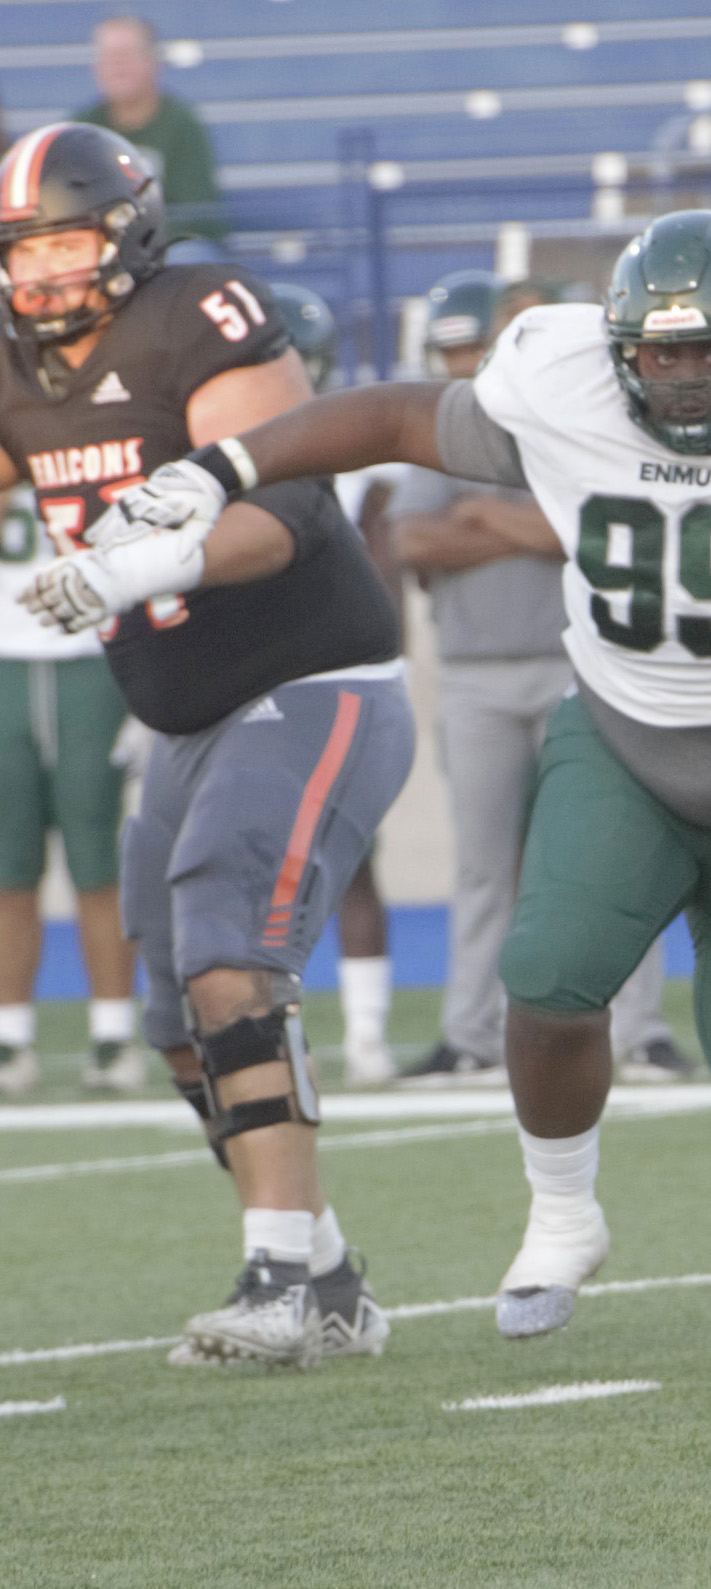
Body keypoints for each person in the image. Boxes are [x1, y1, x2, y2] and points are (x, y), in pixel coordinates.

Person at [95, 210, 711, 1364]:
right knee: (546, 979)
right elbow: (402, 417)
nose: (694, 375)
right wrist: (224, 466)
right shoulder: (560, 392)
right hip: (626, 729)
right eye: (667, 351)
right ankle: (563, 1212)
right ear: (618, 350)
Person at [4, 123, 411, 1364]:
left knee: (234, 951)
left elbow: (285, 509)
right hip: (178, 709)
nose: (42, 274)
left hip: (312, 674)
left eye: (65, 242)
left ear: (127, 229)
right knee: (181, 1005)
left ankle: (276, 1278)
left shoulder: (200, 314)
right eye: (21, 251)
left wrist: (141, 558)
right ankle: (327, 1271)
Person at [388, 270, 683, 1085]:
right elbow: (412, 540)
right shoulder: (467, 417)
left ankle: (640, 1029)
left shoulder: (587, 421)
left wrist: (480, 518)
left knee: (620, 853)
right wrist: (526, 528)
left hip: (577, 666)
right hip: (474, 673)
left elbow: (598, 531)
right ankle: (470, 1034)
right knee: (483, 865)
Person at [268, 279, 401, 1087]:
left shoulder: (360, 470)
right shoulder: (207, 457)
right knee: (258, 867)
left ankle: (366, 1036)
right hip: (252, 686)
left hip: (341, 682)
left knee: (354, 864)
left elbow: (380, 593)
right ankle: (272, 1032)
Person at [0, 479, 143, 1096]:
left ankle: (113, 1033)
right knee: (9, 866)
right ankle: (11, 1035)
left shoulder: (82, 430)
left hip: (91, 658)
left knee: (96, 856)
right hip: (5, 658)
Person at [74, 16, 225, 242]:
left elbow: (198, 216)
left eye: (126, 55)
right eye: (108, 56)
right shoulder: (81, 129)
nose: (117, 66)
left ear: (153, 61)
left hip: (168, 249)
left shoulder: (183, 125)